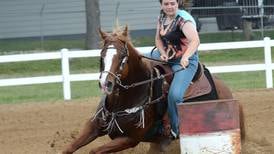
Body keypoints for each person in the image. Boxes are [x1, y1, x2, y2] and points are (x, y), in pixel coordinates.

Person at [145, 0, 200, 139]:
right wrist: (162, 53)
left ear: (177, 4)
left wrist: (186, 57)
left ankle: (176, 129)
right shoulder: (162, 17)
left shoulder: (183, 20)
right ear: (161, 5)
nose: (169, 7)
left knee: (175, 95)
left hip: (184, 60)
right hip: (166, 55)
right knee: (139, 62)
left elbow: (195, 41)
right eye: (166, 4)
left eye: (172, 3)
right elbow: (158, 40)